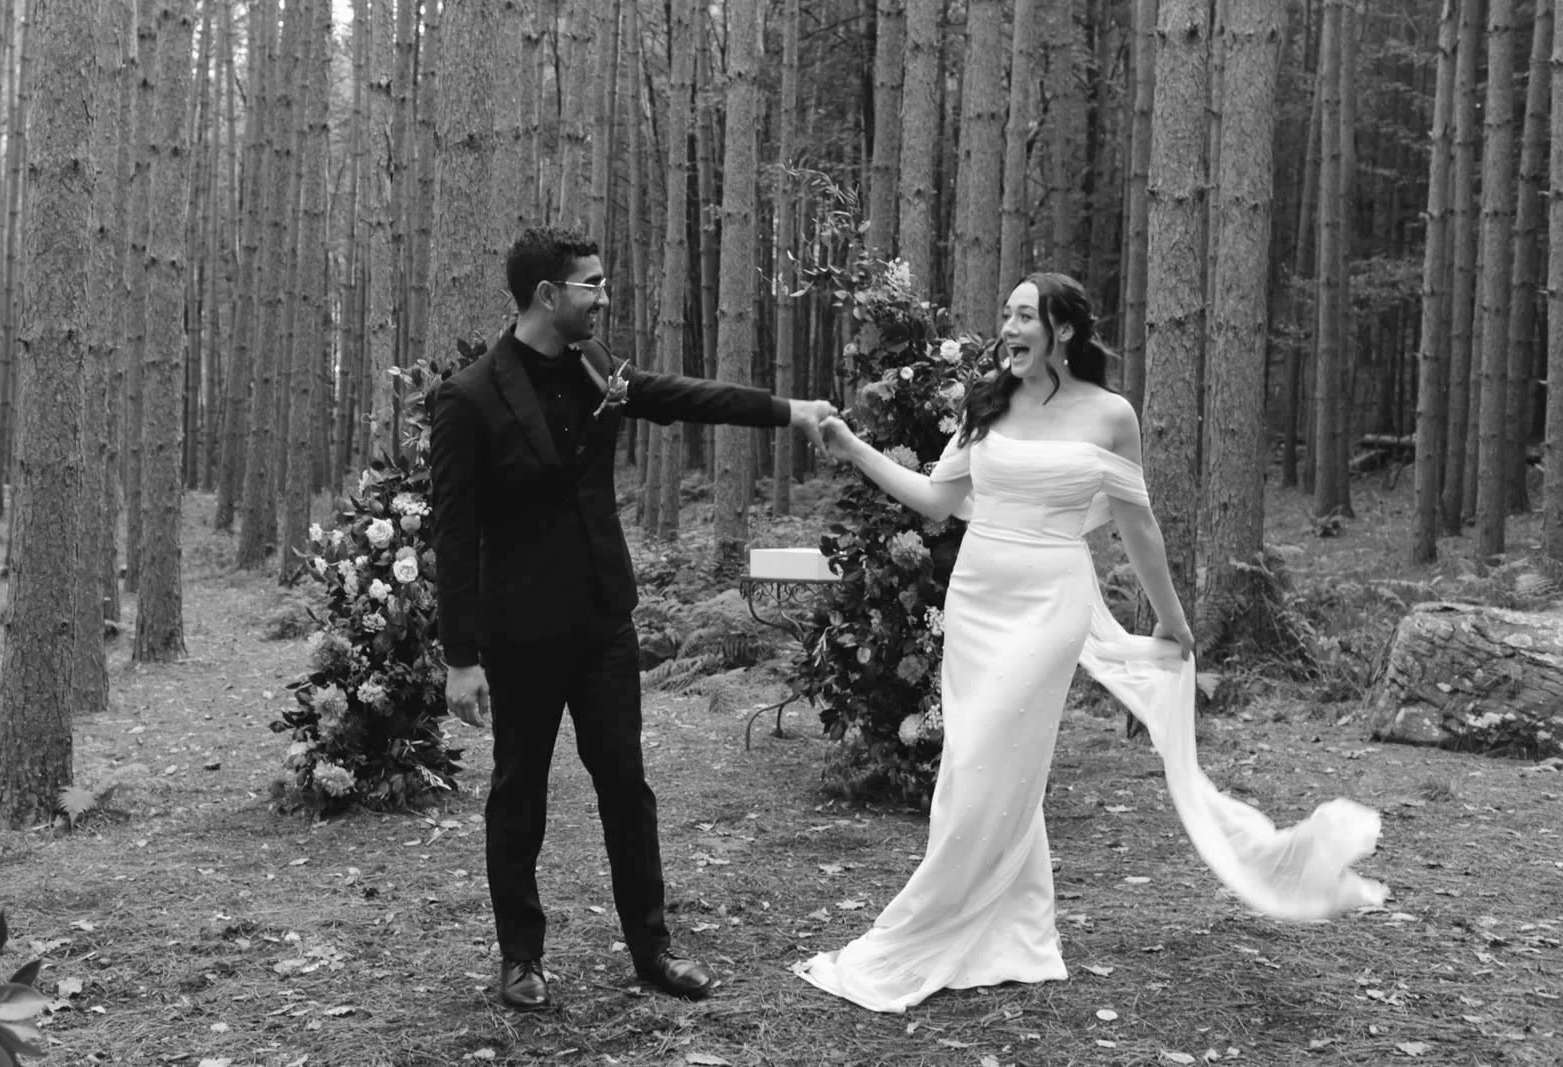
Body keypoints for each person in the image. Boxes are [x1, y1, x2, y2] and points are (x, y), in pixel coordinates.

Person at [794, 272, 1386, 1013]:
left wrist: (1172, 619)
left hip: (1050, 605)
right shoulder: (987, 404)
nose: (1007, 327)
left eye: (1022, 315)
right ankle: (1016, 933)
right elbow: (938, 502)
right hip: (977, 602)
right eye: (1003, 313)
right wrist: (853, 447)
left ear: (1062, 329)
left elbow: (1140, 528)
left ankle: (929, 926)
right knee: (978, 766)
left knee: (989, 762)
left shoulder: (1111, 416)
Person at [430, 226, 835, 1010]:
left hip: (603, 626)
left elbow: (689, 395)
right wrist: (460, 657)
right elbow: (454, 533)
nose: (604, 295)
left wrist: (790, 411)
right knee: (519, 793)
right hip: (518, 636)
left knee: (626, 785)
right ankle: (520, 957)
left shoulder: (597, 368)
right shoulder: (469, 396)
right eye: (592, 283)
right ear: (548, 295)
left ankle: (652, 949)